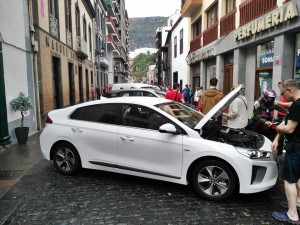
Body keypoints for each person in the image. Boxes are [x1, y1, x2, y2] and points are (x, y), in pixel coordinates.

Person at [271, 79, 300, 224]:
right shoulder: (296, 103)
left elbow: (289, 128)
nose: (283, 97)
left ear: (290, 90)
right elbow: (290, 107)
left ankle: (292, 214)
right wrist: (277, 139)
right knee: (299, 179)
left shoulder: (297, 105)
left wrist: (277, 127)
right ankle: (298, 203)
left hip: (296, 148)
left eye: (283, 93)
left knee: (289, 181)